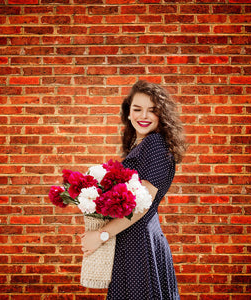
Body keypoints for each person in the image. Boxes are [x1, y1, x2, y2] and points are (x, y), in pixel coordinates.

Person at [81, 80, 186, 299]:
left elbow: (142, 204)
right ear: (128, 113)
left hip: (140, 246)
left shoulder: (155, 145)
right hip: (132, 242)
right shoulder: (141, 145)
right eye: (137, 109)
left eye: (153, 110)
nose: (144, 115)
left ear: (162, 115)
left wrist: (101, 235)